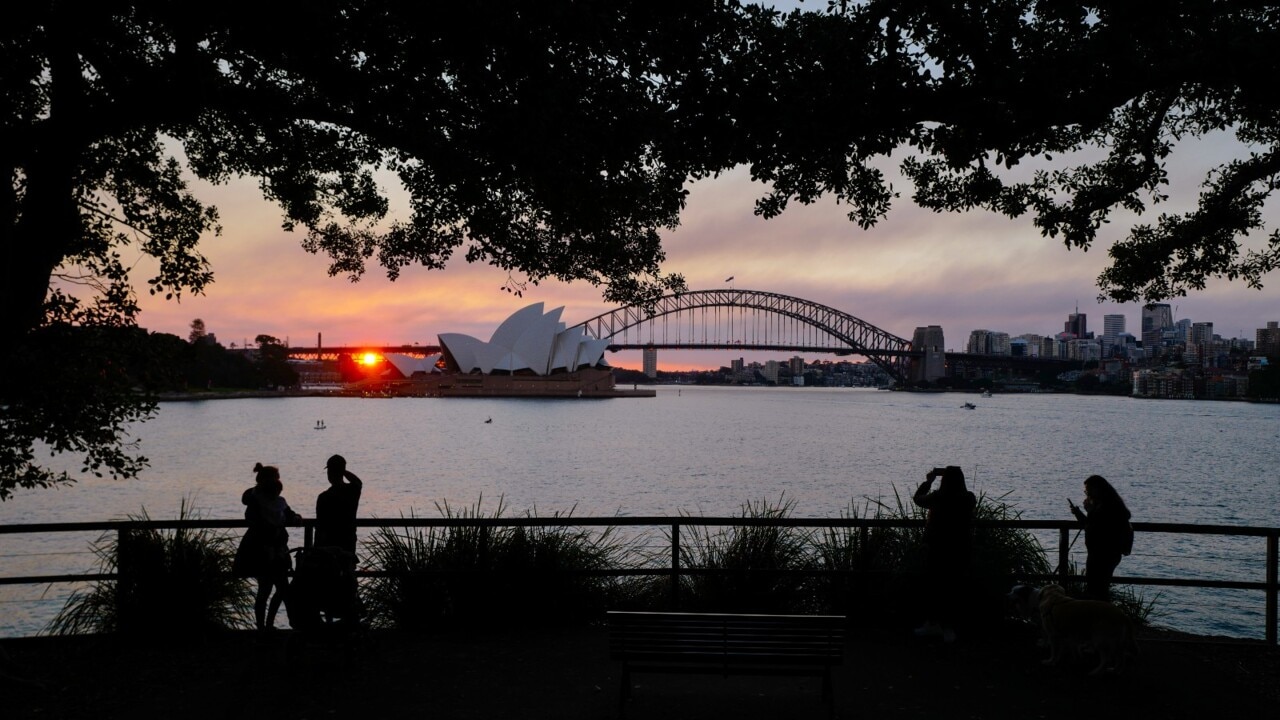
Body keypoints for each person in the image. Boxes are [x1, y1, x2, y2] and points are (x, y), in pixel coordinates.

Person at [912, 465, 977, 643]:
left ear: (943, 480)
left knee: (934, 588)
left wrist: (928, 481)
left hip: (937, 550)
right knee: (954, 588)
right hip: (960, 549)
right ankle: (950, 628)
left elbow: (917, 499)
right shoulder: (968, 498)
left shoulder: (938, 497)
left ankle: (933, 624)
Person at [233, 463, 301, 630]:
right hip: (266, 550)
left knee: (273, 588)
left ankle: (264, 626)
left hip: (271, 550)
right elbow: (280, 515)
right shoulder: (256, 499)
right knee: (274, 588)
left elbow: (287, 513)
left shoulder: (264, 499)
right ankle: (267, 626)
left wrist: (294, 517)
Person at [1069, 474, 1133, 601]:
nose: (1086, 494)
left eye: (1087, 491)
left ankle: (1099, 616)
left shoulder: (1105, 507)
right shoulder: (1111, 504)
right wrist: (1081, 513)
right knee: (1099, 589)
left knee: (1096, 590)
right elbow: (1091, 525)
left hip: (1102, 555)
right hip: (1106, 554)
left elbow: (1095, 528)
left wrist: (1089, 511)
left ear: (1096, 490)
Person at [315, 454, 363, 560]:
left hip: (328, 543)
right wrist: (343, 471)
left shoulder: (324, 497)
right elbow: (358, 482)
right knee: (347, 570)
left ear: (329, 473)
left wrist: (317, 548)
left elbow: (320, 525)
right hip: (348, 540)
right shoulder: (352, 491)